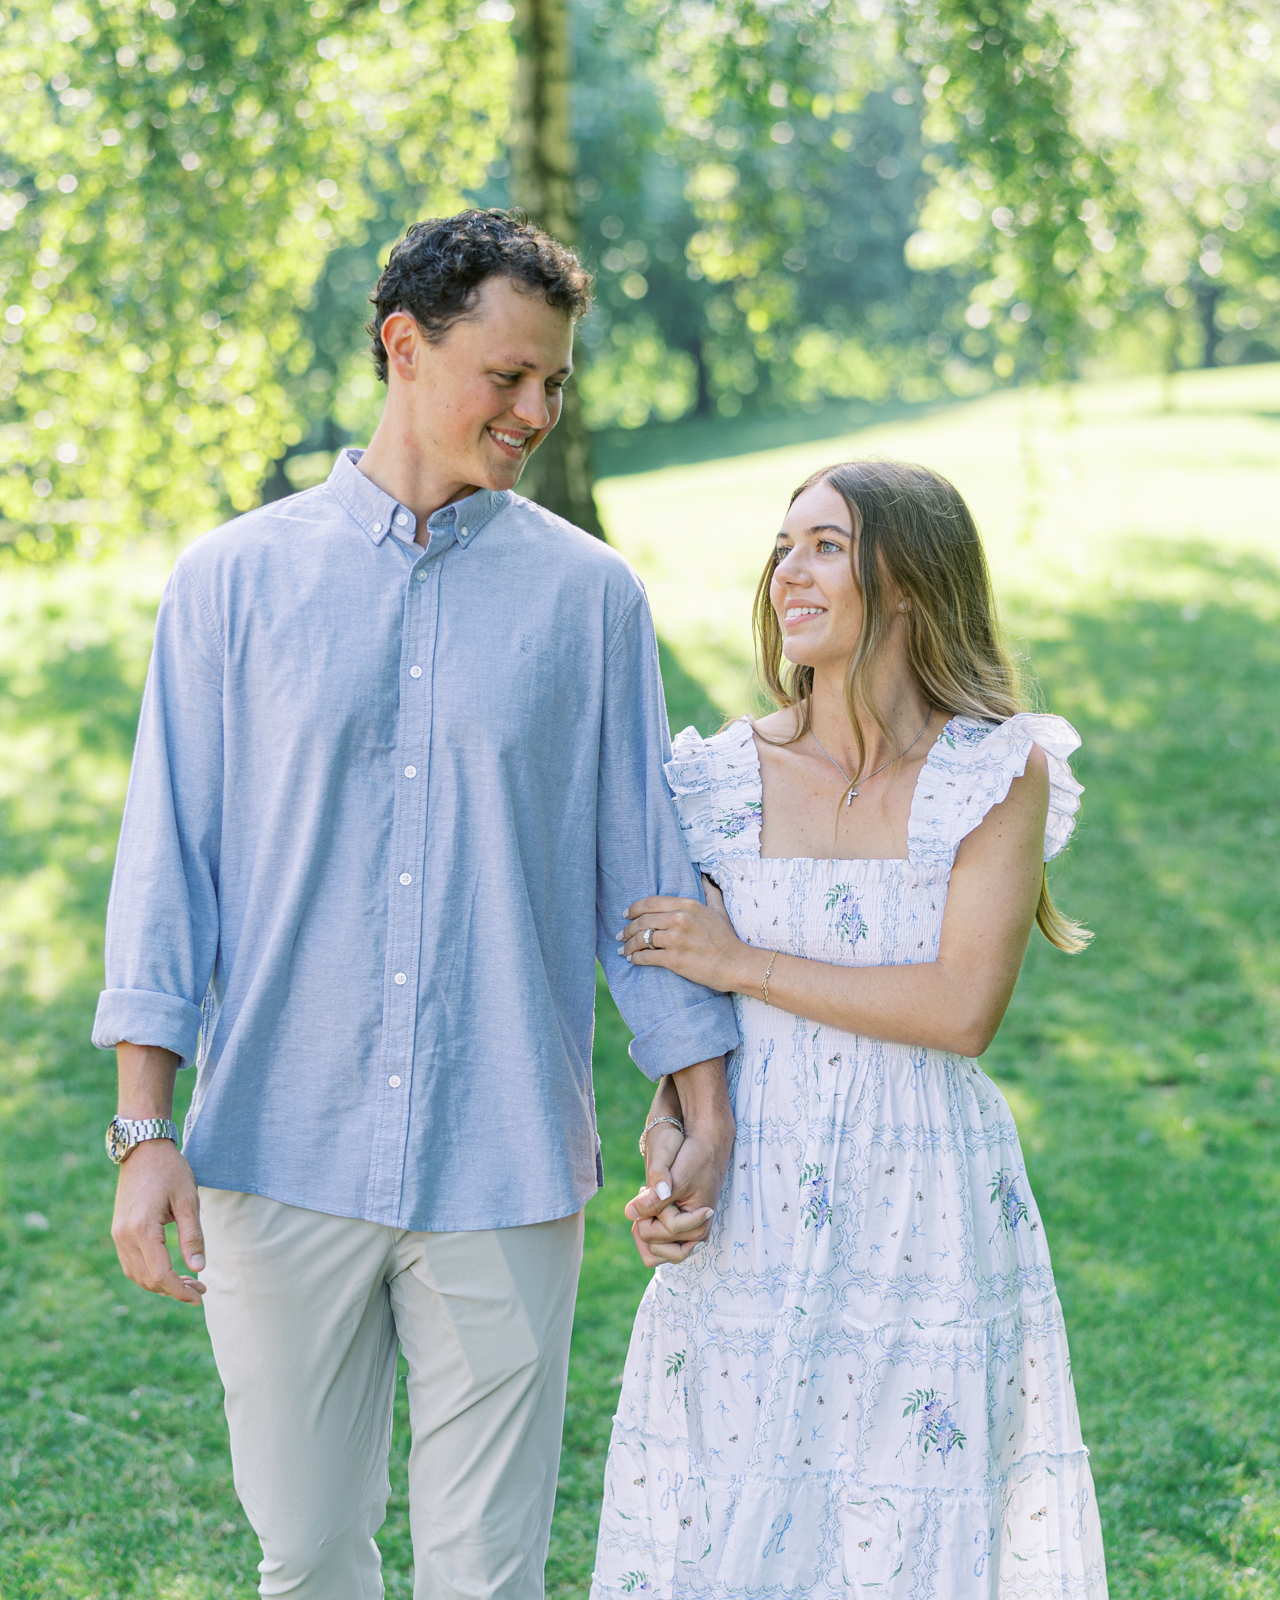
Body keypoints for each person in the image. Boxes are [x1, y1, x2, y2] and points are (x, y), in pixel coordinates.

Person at [94, 208, 739, 1600]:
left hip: (499, 1152)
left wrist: (703, 1097)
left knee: (487, 1573)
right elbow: (168, 872)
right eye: (509, 376)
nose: (536, 411)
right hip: (279, 1145)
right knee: (310, 1552)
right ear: (404, 345)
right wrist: (147, 1130)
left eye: (556, 382)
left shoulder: (590, 600)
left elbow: (642, 874)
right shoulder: (232, 584)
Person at [593, 460, 1108, 1598]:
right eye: (783, 547)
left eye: (825, 545)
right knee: (739, 1507)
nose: (789, 571)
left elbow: (958, 1007)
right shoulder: (716, 778)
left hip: (924, 1193)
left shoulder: (993, 770)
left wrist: (742, 959)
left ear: (910, 582)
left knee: (912, 1521)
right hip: (759, 1183)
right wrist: (669, 1146)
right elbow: (690, 1016)